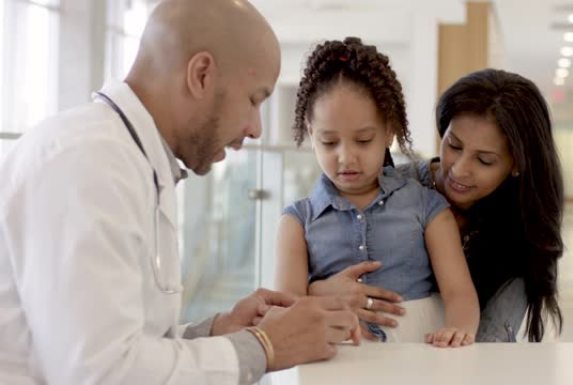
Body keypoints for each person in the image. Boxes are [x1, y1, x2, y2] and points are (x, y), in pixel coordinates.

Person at [0, 1, 359, 384]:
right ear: (201, 75)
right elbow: (99, 373)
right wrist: (263, 345)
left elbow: (127, 344)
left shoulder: (131, 161)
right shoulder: (86, 163)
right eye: (254, 100)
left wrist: (218, 331)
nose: (256, 129)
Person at [309, 68, 564, 343]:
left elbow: (492, 339)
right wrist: (317, 291)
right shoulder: (386, 189)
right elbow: (300, 277)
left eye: (484, 160)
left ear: (517, 165)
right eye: (453, 145)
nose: (459, 169)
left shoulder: (522, 232)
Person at [274, 37, 480, 347]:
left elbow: (459, 293)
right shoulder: (296, 222)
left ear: (388, 130)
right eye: (329, 142)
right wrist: (317, 291)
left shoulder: (428, 207)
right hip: (334, 359)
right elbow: (286, 307)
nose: (346, 157)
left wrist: (458, 331)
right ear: (310, 131)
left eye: (363, 140)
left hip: (417, 354)